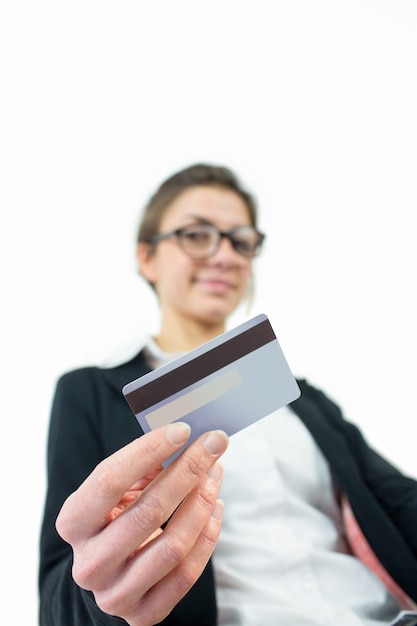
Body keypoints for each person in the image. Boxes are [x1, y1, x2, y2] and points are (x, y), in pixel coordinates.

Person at [39, 163, 417, 626]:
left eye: (241, 241)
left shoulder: (305, 399)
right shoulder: (91, 393)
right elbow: (61, 589)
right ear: (147, 258)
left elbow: (399, 499)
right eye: (197, 235)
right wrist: (108, 591)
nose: (225, 256)